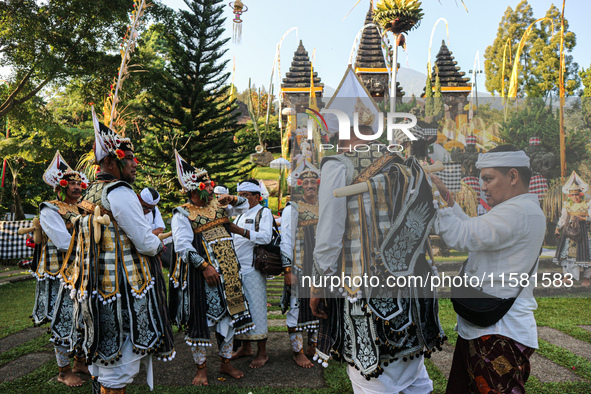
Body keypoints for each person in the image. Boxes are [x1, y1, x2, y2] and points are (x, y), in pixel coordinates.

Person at [311, 70, 445, 393]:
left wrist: (318, 284)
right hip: (412, 289)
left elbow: (329, 236)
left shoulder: (338, 166)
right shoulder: (404, 164)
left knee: (373, 379)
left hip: (365, 290)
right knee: (414, 375)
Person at [60, 107, 175, 393]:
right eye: (131, 159)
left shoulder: (91, 192)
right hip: (122, 288)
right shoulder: (120, 192)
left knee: (105, 362)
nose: (136, 164)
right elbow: (145, 242)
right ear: (112, 162)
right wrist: (161, 243)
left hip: (97, 285)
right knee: (118, 367)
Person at [431, 145, 545, 393]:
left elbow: (462, 237)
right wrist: (446, 197)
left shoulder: (519, 211)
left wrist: (432, 199)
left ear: (513, 176)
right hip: (489, 327)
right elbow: (473, 228)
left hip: (500, 333)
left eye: (488, 179)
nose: (483, 187)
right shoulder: (515, 210)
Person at [170, 150, 254, 386]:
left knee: (229, 318)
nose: (210, 188)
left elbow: (246, 205)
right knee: (203, 321)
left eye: (210, 184)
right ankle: (201, 369)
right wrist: (205, 267)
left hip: (230, 273)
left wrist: (233, 199)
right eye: (206, 185)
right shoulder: (182, 213)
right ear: (193, 189)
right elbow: (182, 247)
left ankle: (226, 363)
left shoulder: (219, 206)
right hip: (203, 276)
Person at [30, 151, 89, 387]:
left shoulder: (84, 208)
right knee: (63, 318)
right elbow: (63, 242)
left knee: (83, 317)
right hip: (59, 273)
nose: (76, 187)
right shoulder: (49, 209)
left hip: (81, 271)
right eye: (71, 183)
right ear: (59, 187)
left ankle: (79, 362)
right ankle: (63, 371)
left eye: (78, 183)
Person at [280, 160, 320, 369]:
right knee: (296, 308)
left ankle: (313, 346)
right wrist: (288, 269)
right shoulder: (292, 208)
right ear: (300, 185)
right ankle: (298, 352)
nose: (310, 186)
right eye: (306, 183)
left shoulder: (324, 206)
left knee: (319, 305)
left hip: (320, 267)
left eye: (313, 182)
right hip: (300, 266)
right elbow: (285, 239)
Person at [231, 179, 274, 368]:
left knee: (256, 309)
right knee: (241, 309)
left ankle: (262, 352)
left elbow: (265, 237)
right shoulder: (238, 214)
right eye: (239, 195)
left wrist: (239, 231)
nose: (241, 198)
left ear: (257, 197)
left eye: (246, 195)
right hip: (236, 269)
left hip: (254, 268)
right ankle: (245, 347)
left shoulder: (264, 212)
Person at [554, 172, 591, 287]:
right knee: (565, 255)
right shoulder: (567, 205)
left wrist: (583, 218)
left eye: (577, 194)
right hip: (569, 232)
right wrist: (557, 228)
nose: (575, 197)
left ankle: (586, 279)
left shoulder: (587, 205)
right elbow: (563, 218)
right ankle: (567, 277)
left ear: (581, 194)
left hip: (584, 232)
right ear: (570, 196)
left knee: (587, 255)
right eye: (573, 195)